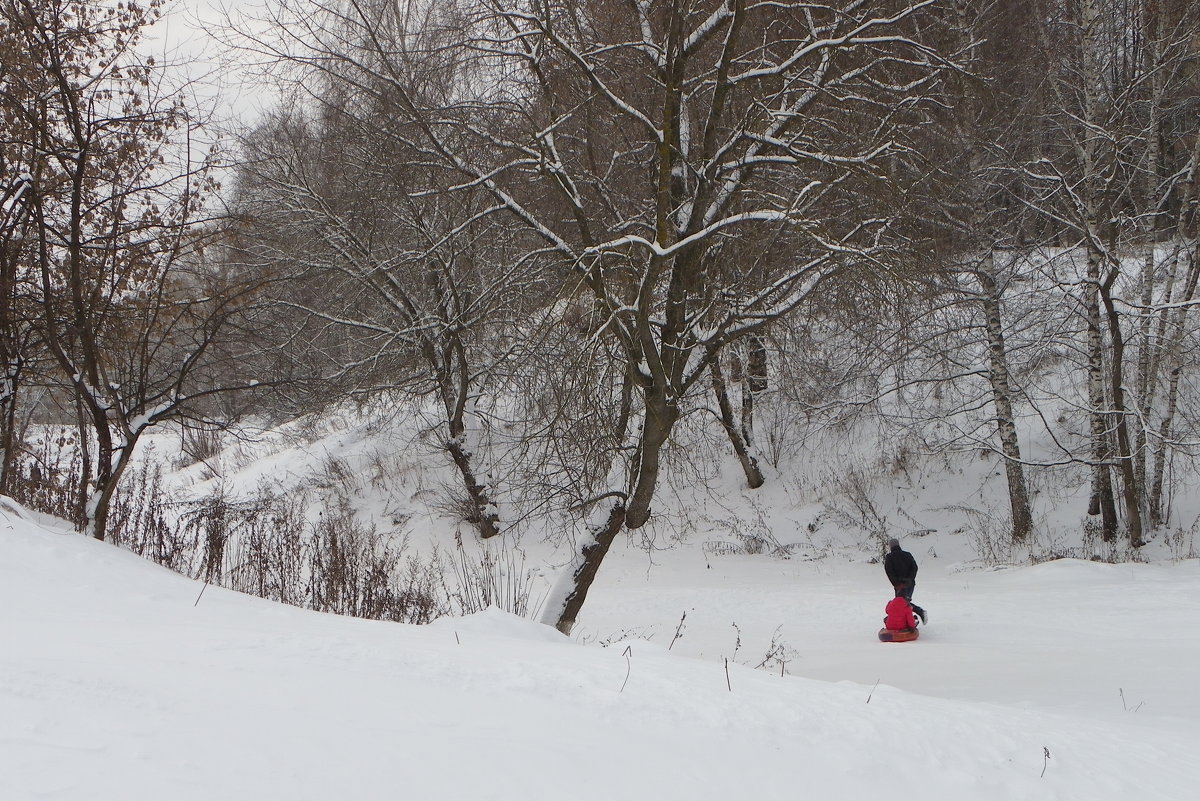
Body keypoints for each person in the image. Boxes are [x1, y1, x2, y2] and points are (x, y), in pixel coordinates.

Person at [884, 537, 927, 625]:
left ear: (890, 547)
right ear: (898, 545)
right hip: (909, 584)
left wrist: (896, 584)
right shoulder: (907, 554)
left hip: (898, 585)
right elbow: (914, 567)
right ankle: (908, 620)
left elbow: (889, 571)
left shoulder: (889, 557)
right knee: (904, 603)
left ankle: (919, 612)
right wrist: (910, 580)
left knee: (902, 604)